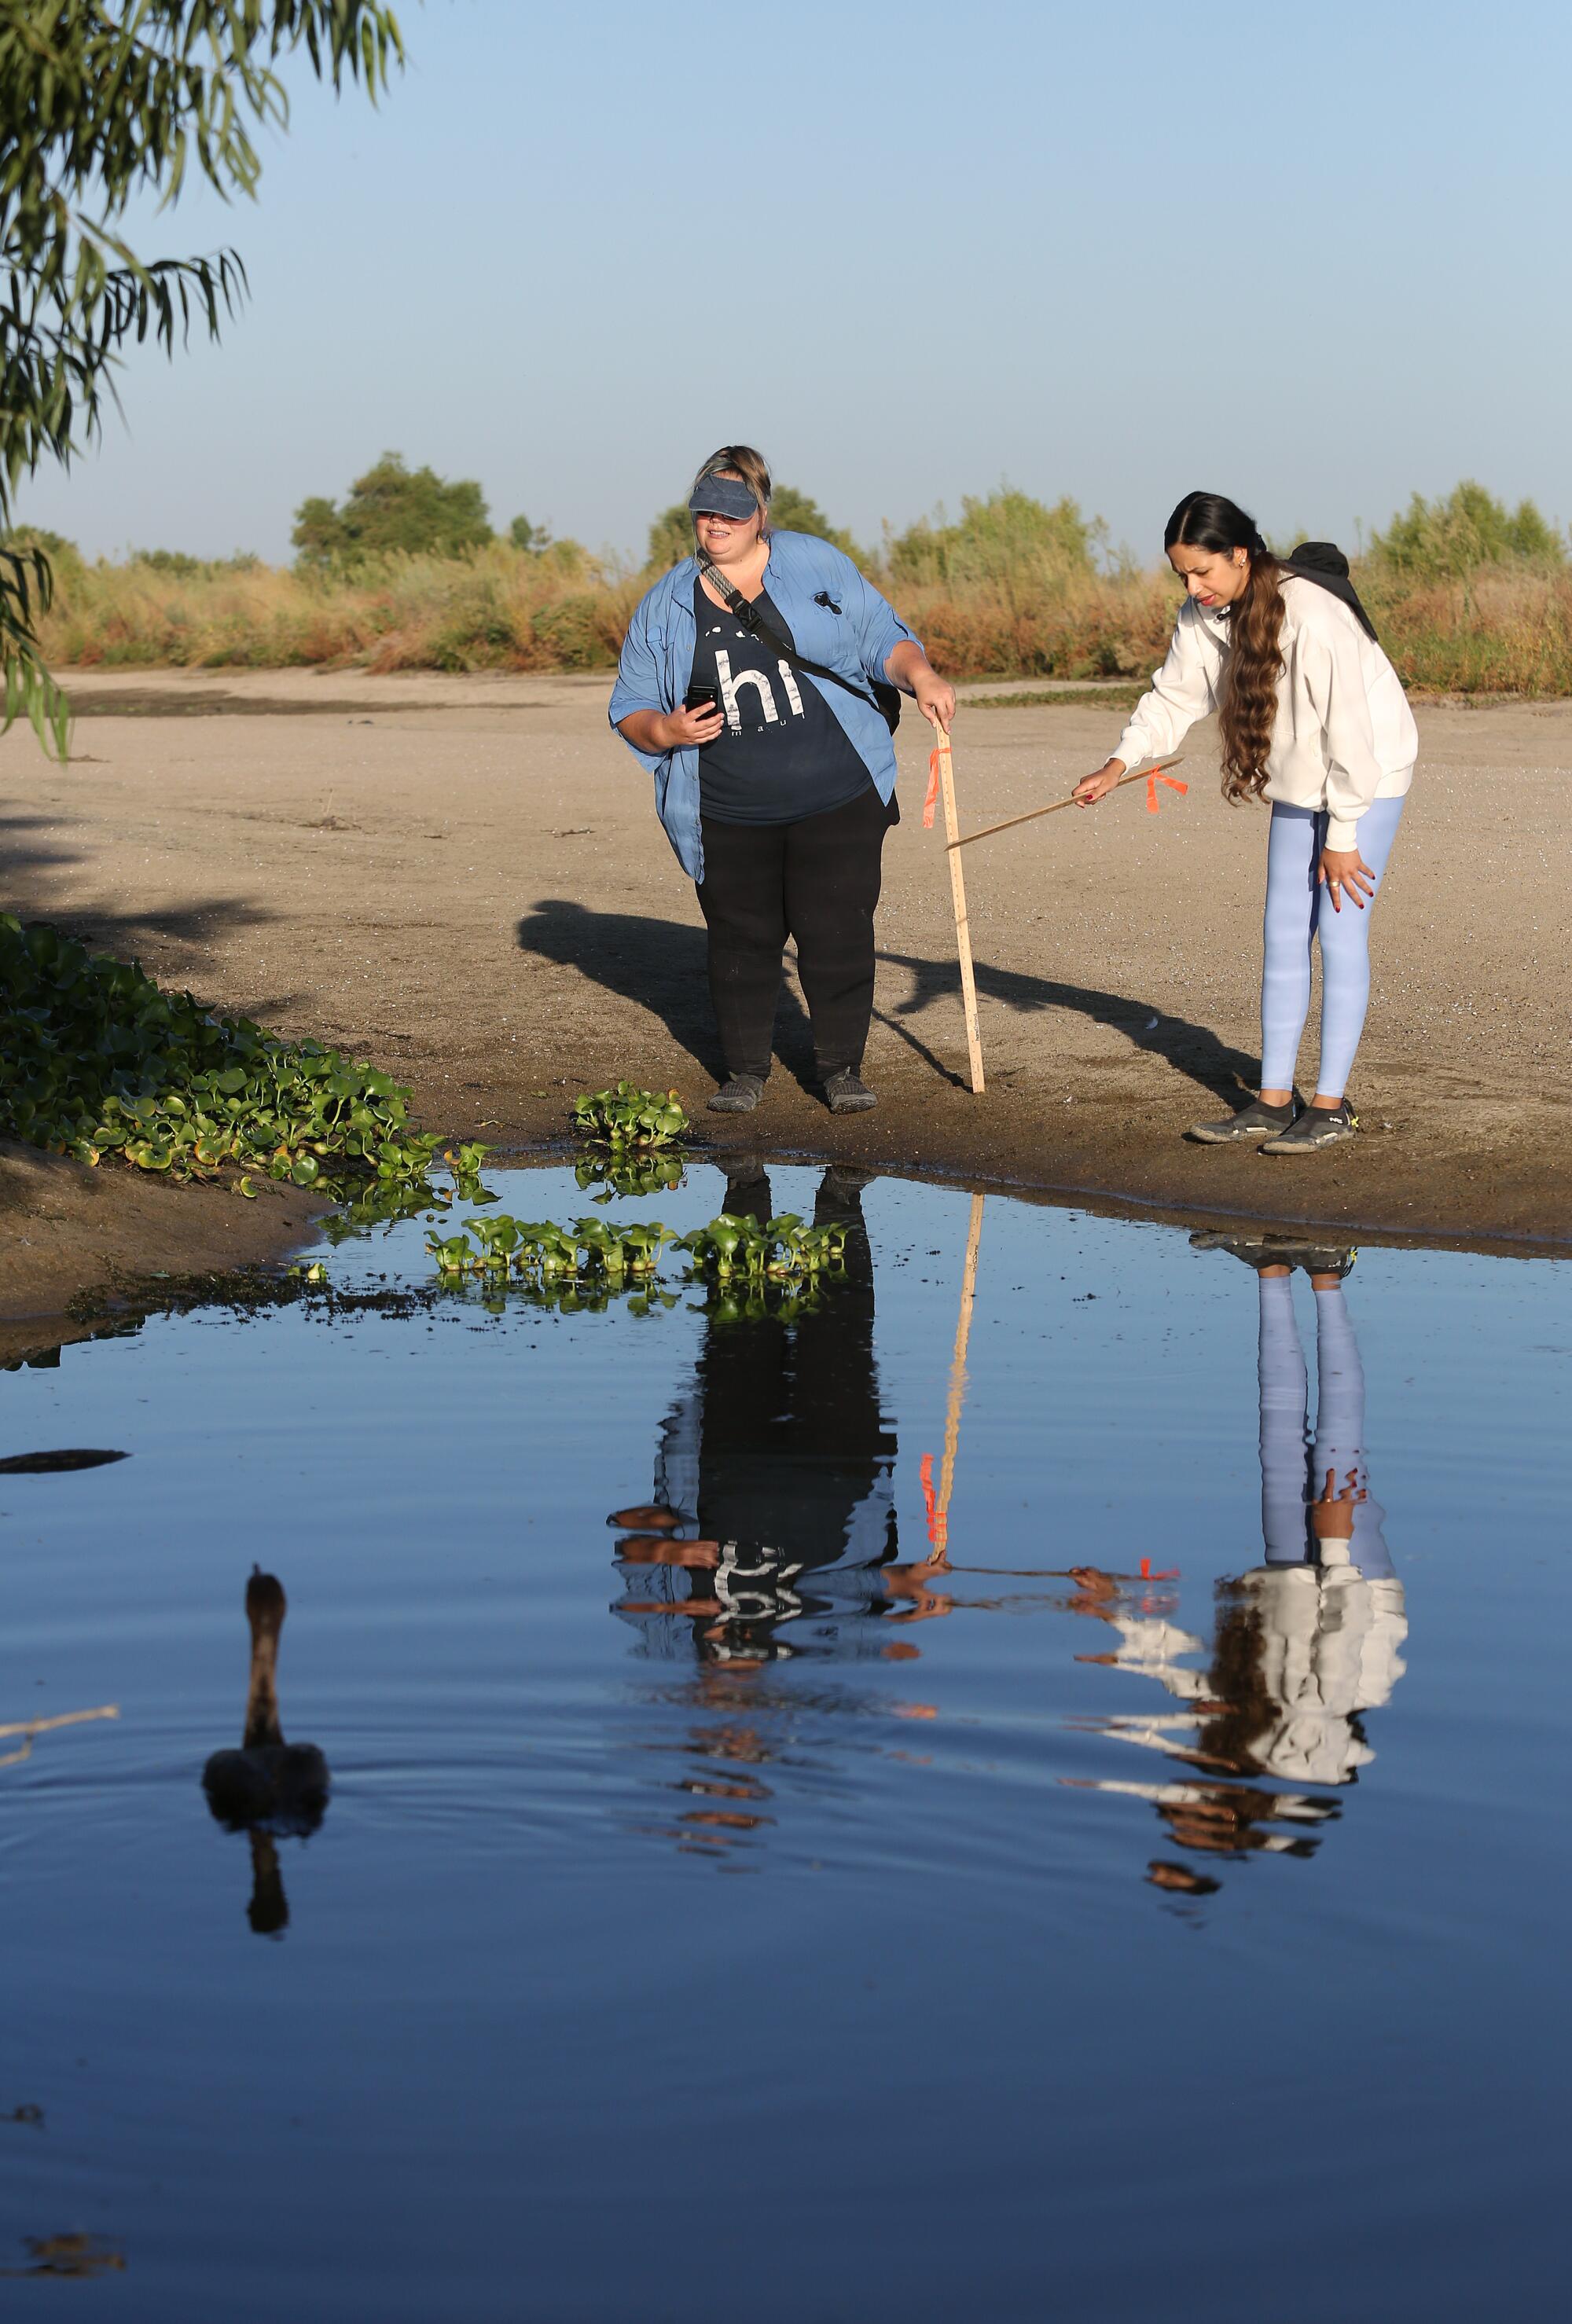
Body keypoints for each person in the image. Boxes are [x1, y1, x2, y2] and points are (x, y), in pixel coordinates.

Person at [610, 446, 955, 1115]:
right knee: (741, 941)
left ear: (761, 512)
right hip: (727, 809)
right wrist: (669, 732)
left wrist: (921, 676)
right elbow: (631, 709)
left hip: (838, 793)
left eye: (732, 511)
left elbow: (883, 636)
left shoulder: (815, 562)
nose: (716, 523)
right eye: (705, 510)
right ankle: (744, 1073)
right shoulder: (665, 605)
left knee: (837, 931)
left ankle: (840, 1071)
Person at [1074, 492, 1418, 1152]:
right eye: (1182, 575)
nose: (1193, 587)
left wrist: (1343, 837)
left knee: (1340, 931)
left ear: (1240, 554)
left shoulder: (1314, 615)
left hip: (1368, 775)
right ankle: (1272, 1100)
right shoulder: (1206, 615)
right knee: (1284, 929)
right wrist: (1118, 764)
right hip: (1298, 777)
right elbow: (1176, 695)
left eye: (1202, 572)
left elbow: (1353, 737)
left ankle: (1331, 1105)